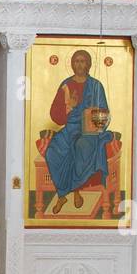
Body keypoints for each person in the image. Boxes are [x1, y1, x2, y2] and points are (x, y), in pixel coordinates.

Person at [43, 49, 112, 214]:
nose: (79, 64)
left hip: (90, 131)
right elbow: (55, 115)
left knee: (80, 147)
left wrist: (93, 118)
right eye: (76, 61)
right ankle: (65, 193)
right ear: (72, 64)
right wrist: (69, 107)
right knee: (52, 152)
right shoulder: (66, 85)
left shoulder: (96, 86)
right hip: (71, 128)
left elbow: (104, 113)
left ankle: (69, 194)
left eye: (83, 61)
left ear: (88, 64)